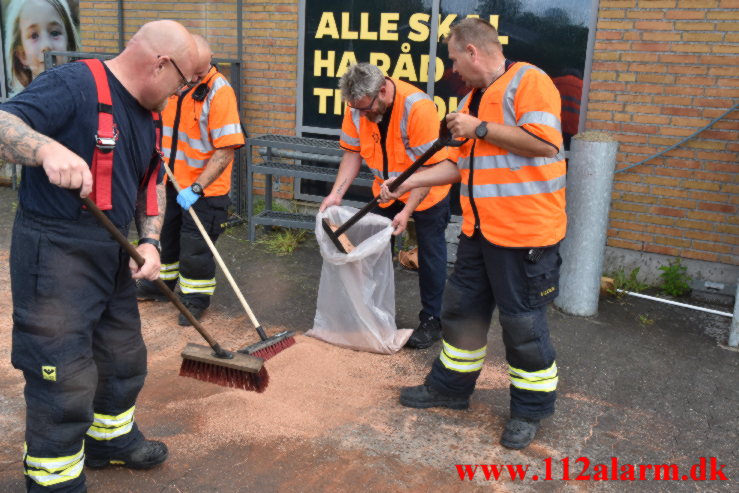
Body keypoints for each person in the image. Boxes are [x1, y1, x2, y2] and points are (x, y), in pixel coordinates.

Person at [0, 20, 197, 492]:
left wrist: (149, 240)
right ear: (160, 63)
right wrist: (46, 149)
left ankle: (109, 442)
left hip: (111, 252)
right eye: (181, 82)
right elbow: (3, 122)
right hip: (55, 252)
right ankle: (54, 481)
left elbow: (152, 182)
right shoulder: (73, 84)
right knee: (62, 374)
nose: (179, 93)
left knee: (122, 356)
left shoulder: (149, 115)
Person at [380, 18, 566, 450]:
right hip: (479, 233)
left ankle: (530, 410)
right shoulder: (472, 99)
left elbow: (546, 143)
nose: (453, 69)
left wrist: (478, 128)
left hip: (524, 235)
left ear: (472, 51)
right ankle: (450, 388)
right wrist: (408, 182)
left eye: (453, 59)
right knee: (462, 313)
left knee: (522, 326)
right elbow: (459, 167)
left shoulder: (529, 82)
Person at [320, 62, 452, 349]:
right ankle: (371, 314)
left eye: (366, 109)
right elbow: (352, 155)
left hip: (427, 191)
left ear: (382, 91)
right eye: (357, 109)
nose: (362, 115)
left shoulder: (417, 108)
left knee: (430, 254)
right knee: (374, 251)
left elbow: (429, 169)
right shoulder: (356, 106)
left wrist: (407, 212)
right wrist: (336, 194)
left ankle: (433, 319)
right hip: (385, 191)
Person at [135, 35, 245, 326]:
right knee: (165, 238)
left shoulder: (219, 92)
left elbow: (226, 150)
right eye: (190, 72)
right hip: (168, 182)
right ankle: (158, 287)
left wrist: (197, 187)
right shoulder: (170, 82)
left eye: (199, 72)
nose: (192, 78)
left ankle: (194, 299)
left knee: (195, 248)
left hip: (205, 190)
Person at [4, 0, 81, 96]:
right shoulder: (17, 109)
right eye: (34, 36)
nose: (46, 45)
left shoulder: (85, 99)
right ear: (22, 55)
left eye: (54, 33)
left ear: (69, 45)